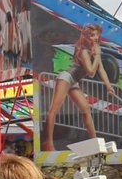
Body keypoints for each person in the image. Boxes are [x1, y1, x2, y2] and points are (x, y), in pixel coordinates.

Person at [43, 23, 109, 151]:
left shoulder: (93, 51)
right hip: (66, 78)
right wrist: (98, 56)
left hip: (74, 82)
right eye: (92, 35)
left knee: (86, 111)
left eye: (97, 35)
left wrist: (108, 86)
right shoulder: (85, 51)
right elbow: (91, 72)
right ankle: (48, 143)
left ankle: (95, 141)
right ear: (86, 37)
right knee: (54, 109)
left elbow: (101, 70)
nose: (95, 38)